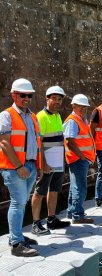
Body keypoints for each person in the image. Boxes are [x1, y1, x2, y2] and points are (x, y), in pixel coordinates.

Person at [0, 78, 42, 257]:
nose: (26, 98)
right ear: (14, 95)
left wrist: (37, 165)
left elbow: (36, 142)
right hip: (15, 168)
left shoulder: (32, 116)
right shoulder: (7, 115)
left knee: (22, 201)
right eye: (22, 95)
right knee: (18, 202)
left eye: (29, 95)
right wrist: (19, 166)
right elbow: (4, 142)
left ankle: (16, 236)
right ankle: (16, 244)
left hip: (30, 165)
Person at [31, 86, 70, 236]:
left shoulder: (57, 116)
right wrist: (43, 163)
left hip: (58, 159)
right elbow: (39, 142)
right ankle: (36, 223)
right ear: (47, 98)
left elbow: (59, 139)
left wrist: (63, 158)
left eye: (59, 99)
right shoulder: (41, 116)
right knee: (40, 191)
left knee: (54, 190)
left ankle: (51, 219)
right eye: (54, 98)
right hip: (47, 160)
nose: (57, 102)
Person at [63, 94, 96, 224]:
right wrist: (82, 156)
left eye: (85, 107)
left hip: (80, 158)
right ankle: (78, 215)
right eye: (80, 107)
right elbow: (70, 141)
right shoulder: (73, 120)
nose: (83, 109)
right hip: (78, 159)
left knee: (74, 186)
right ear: (73, 106)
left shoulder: (81, 119)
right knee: (80, 187)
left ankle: (72, 212)